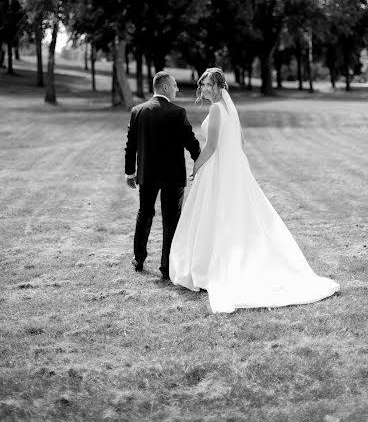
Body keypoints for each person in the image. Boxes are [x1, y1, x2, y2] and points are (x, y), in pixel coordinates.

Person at [169, 68, 340, 313]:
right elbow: (240, 143)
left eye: (208, 85)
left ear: (219, 87)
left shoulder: (217, 109)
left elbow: (212, 146)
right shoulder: (229, 108)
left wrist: (196, 166)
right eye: (203, 85)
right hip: (228, 169)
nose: (204, 89)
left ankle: (210, 267)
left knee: (216, 216)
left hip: (217, 169)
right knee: (227, 216)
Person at [125, 72, 201, 280]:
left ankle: (138, 258)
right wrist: (201, 162)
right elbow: (191, 142)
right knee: (171, 221)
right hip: (172, 175)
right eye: (175, 86)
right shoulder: (177, 112)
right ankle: (166, 267)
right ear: (165, 88)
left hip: (147, 174)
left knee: (145, 213)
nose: (177, 89)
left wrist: (130, 172)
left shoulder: (137, 111)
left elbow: (130, 145)